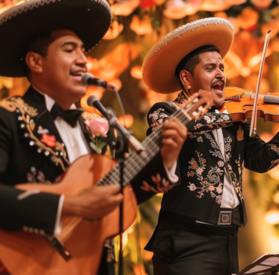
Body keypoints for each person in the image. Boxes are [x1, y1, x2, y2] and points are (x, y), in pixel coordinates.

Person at [0, 0, 187, 274]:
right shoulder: (9, 117)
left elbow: (120, 194)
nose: (83, 59)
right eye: (69, 49)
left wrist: (166, 161)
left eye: (83, 50)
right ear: (35, 61)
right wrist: (69, 205)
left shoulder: (98, 125)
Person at [137, 17, 279, 275]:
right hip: (186, 239)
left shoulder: (233, 119)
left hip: (228, 237)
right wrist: (228, 115)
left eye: (222, 67)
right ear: (187, 79)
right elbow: (179, 129)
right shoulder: (166, 112)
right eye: (211, 68)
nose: (221, 74)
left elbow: (260, 160)